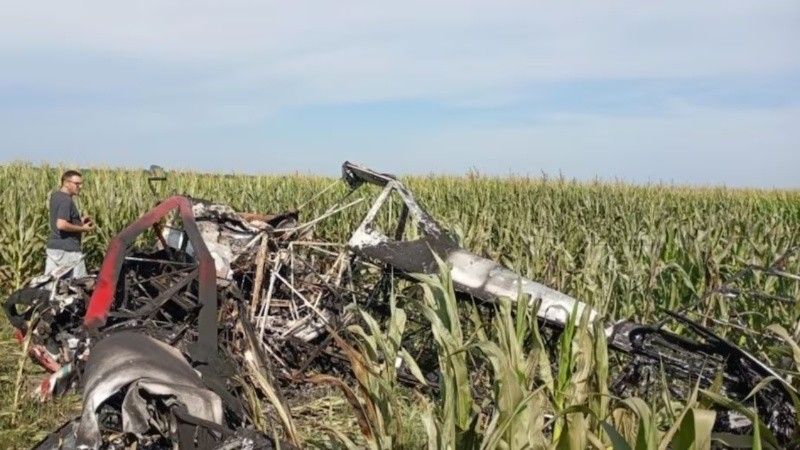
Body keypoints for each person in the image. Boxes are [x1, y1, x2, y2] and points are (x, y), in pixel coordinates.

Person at [45, 170, 94, 278]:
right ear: (66, 183)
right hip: (68, 250)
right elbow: (61, 224)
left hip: (54, 248)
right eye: (77, 184)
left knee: (50, 284)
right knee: (79, 284)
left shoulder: (56, 196)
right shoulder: (66, 200)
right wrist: (83, 229)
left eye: (81, 184)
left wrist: (79, 221)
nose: (80, 186)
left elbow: (60, 219)